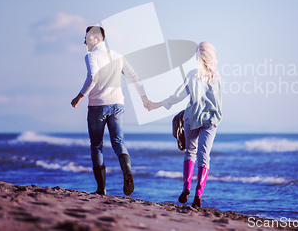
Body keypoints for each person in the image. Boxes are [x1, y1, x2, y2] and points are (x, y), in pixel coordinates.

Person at [71, 26, 152, 196]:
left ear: (97, 39)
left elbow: (92, 77)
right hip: (118, 105)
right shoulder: (118, 56)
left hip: (97, 106)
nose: (84, 41)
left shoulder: (91, 56)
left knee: (96, 146)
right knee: (118, 142)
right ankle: (127, 171)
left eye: (87, 38)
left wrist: (79, 96)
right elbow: (135, 77)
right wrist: (144, 98)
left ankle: (101, 189)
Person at [147, 42, 222, 208]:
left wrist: (159, 104)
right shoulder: (216, 77)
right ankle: (199, 195)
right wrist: (216, 119)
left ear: (198, 56)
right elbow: (218, 104)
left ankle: (186, 187)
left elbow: (178, 96)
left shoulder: (191, 75)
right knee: (204, 156)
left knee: (190, 152)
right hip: (209, 120)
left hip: (192, 117)